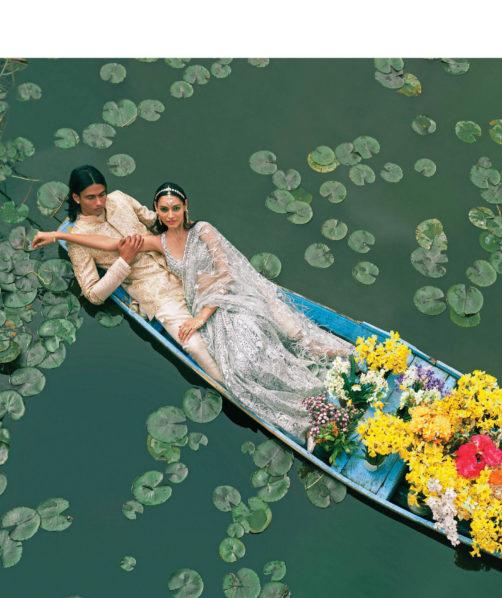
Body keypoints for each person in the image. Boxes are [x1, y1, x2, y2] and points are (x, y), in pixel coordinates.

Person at [33, 180, 352, 440]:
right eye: (164, 210)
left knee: (260, 336)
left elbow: (226, 275)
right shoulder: (158, 241)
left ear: (186, 206)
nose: (170, 214)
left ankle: (325, 370)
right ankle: (303, 412)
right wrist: (60, 234)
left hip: (221, 301)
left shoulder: (203, 230)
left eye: (176, 208)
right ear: (157, 211)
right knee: (238, 364)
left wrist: (201, 316)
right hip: (195, 305)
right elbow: (112, 246)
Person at [40, 165, 223, 381]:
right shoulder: (79, 240)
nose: (99, 202)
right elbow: (93, 295)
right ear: (76, 198)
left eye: (102, 194)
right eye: (91, 197)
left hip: (179, 266)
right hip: (155, 295)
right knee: (195, 345)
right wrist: (124, 261)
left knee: (225, 312)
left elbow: (154, 221)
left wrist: (189, 226)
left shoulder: (119, 198)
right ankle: (236, 389)